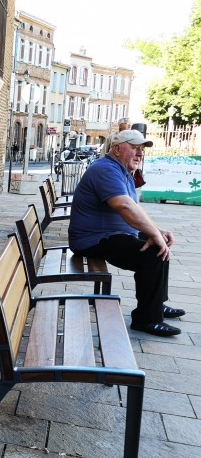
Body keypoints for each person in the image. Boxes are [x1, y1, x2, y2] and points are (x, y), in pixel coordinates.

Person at [68, 129, 185, 337]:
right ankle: (147, 319)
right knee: (152, 254)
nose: (140, 154)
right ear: (116, 149)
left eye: (142, 149)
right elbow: (124, 207)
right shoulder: (106, 170)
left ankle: (156, 304)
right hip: (92, 239)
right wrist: (155, 235)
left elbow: (135, 209)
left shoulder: (121, 171)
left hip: (108, 234)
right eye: (135, 148)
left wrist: (157, 231)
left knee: (158, 245)